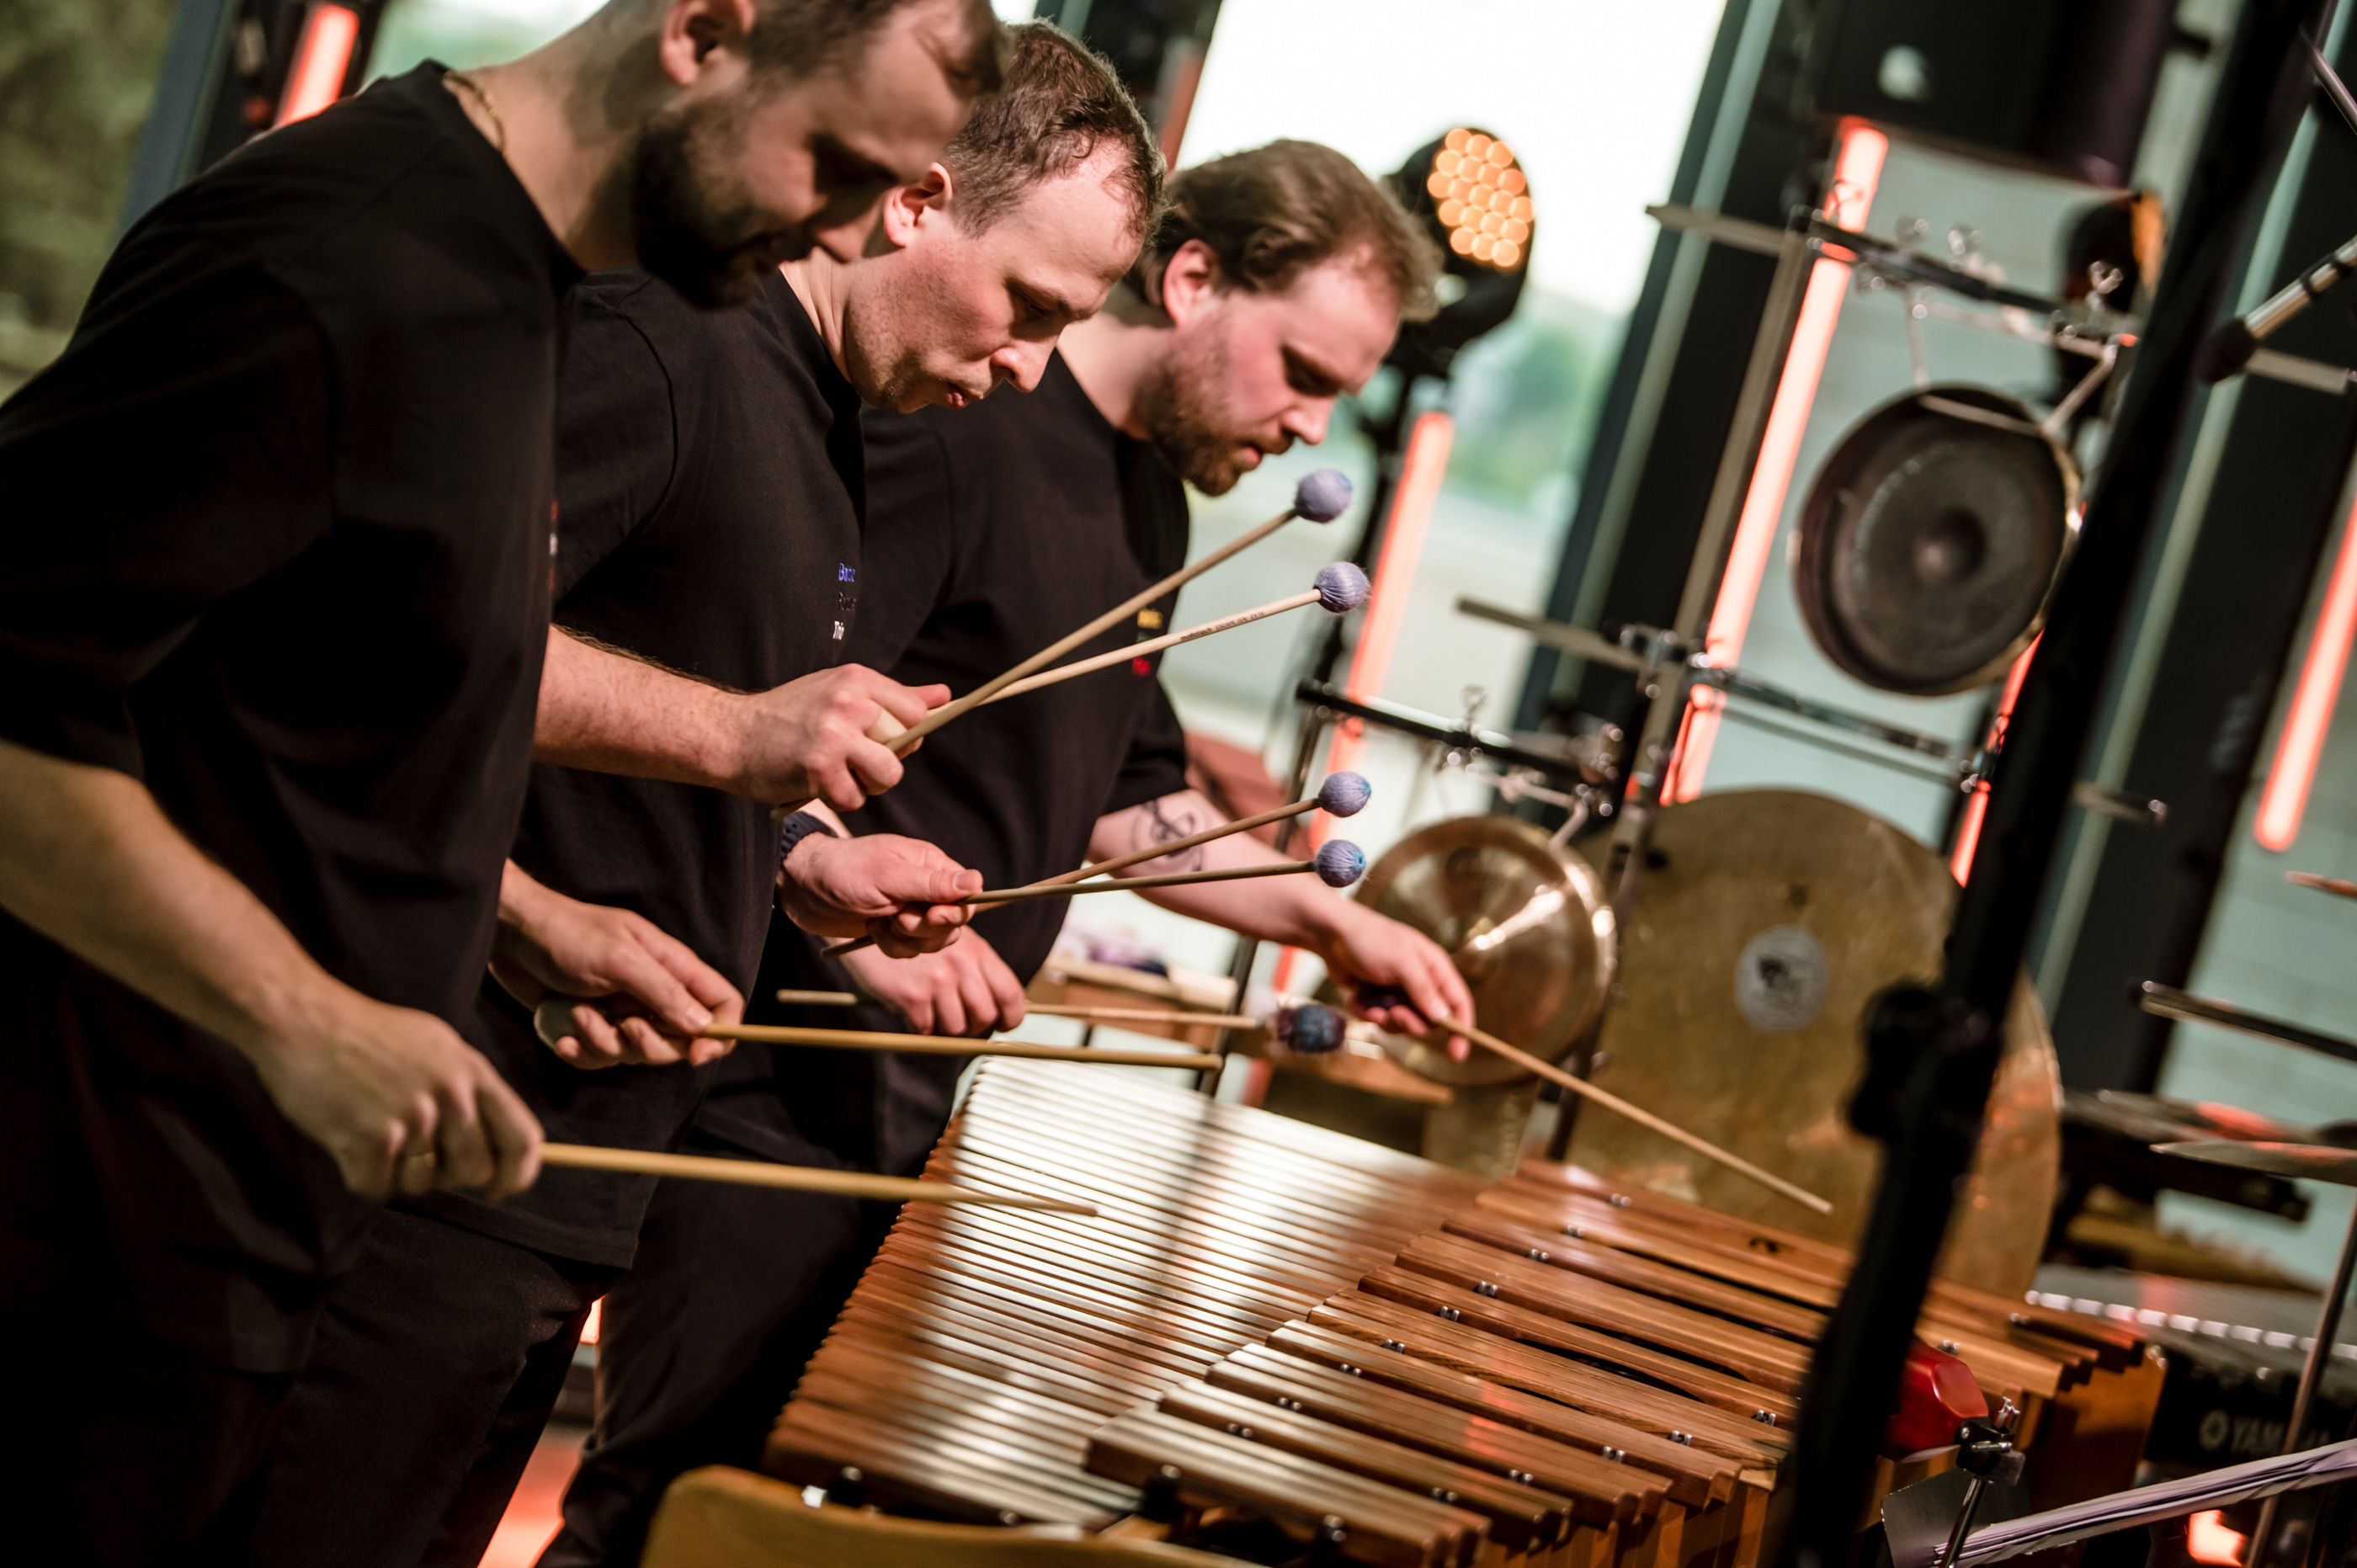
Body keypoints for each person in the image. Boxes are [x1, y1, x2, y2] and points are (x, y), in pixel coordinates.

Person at [0, 0, 999, 1557]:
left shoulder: (526, 284)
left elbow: (306, 687)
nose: (851, 232)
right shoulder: (343, 247)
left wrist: (516, 915)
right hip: (97, 1209)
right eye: (838, 164)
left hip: (268, 1212)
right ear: (705, 31)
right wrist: (308, 1018)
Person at [246, 23, 1160, 1568]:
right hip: (419, 1147)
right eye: (1030, 307)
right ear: (918, 202)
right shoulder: (668, 344)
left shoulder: (824, 414)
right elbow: (393, 637)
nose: (1030, 367)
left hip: (561, 1175)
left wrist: (802, 863)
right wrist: (686, 783)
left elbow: (651, 722)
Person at [548, 137, 1472, 1568]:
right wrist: (840, 913)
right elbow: (778, 714)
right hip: (775, 1077)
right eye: (1303, 371)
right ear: (1192, 279)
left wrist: (1330, 922)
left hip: (913, 1105)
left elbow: (1125, 805)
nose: (1311, 425)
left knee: (769, 1527)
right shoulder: (955, 432)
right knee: (662, 1512)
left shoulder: (1151, 503)